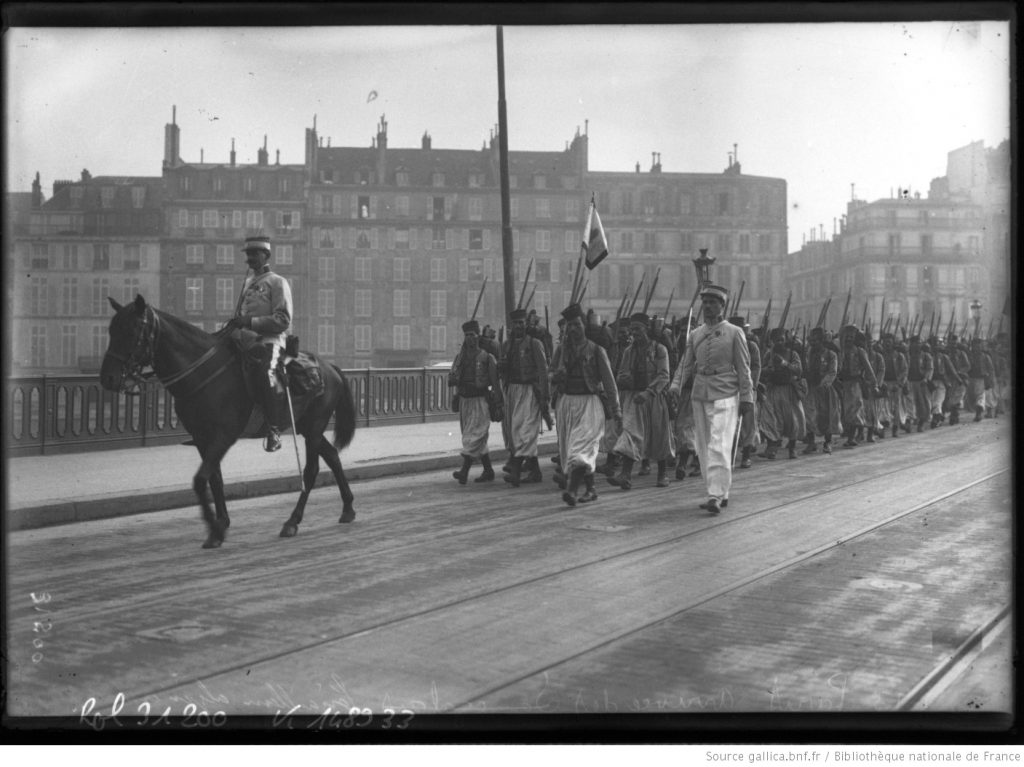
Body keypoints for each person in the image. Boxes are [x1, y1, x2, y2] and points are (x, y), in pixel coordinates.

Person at [669, 284, 753, 515]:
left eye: (712, 303)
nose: (707, 307)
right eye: (704, 302)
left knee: (719, 443)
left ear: (722, 306)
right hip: (700, 393)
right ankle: (720, 491)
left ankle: (714, 495)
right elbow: (685, 365)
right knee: (705, 446)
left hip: (726, 392)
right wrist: (675, 386)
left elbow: (743, 368)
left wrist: (747, 397)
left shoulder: (735, 332)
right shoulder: (695, 334)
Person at [223, 235, 293, 452]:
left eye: (255, 254)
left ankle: (273, 429)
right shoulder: (248, 283)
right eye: (248, 254)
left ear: (266, 255)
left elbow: (283, 320)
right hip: (245, 342)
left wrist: (250, 322)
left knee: (265, 373)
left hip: (270, 341)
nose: (250, 258)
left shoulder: (277, 282)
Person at [549, 303, 621, 506]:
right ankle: (591, 489)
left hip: (590, 404)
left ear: (584, 326)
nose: (573, 329)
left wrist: (616, 410)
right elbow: (550, 373)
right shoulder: (562, 350)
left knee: (580, 450)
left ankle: (571, 491)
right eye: (570, 326)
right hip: (566, 404)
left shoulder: (597, 350)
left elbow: (609, 382)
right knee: (573, 450)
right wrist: (556, 376)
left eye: (577, 324)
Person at [609, 312, 673, 490]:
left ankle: (662, 473)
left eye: (637, 329)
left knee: (658, 435)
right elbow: (621, 373)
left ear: (647, 330)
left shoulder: (660, 349)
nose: (634, 333)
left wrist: (648, 392)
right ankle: (625, 475)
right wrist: (625, 380)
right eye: (632, 330)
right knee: (630, 432)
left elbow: (664, 376)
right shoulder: (629, 351)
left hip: (654, 398)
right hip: (634, 399)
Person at [498, 308, 550, 487]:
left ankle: (516, 470)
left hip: (530, 391)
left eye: (521, 323)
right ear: (512, 326)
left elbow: (543, 370)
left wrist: (545, 396)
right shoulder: (507, 345)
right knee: (515, 430)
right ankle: (535, 472)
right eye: (516, 323)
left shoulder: (535, 344)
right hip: (513, 390)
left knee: (525, 430)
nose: (519, 326)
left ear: (526, 324)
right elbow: (503, 370)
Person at [448, 320, 502, 484]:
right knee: (473, 436)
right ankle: (488, 470)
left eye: (472, 335)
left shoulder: (487, 357)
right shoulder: (460, 358)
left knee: (476, 434)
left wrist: (499, 402)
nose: (469, 338)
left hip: (480, 400)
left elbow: (494, 381)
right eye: (466, 336)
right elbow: (452, 378)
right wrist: (453, 378)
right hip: (465, 400)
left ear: (477, 337)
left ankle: (464, 471)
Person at [758, 327, 807, 460]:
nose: (779, 343)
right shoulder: (769, 354)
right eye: (776, 340)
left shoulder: (792, 354)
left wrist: (785, 363)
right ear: (772, 341)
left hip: (789, 390)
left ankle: (792, 449)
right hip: (773, 390)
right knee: (770, 420)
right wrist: (771, 369)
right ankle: (772, 449)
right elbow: (760, 371)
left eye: (782, 340)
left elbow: (798, 370)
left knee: (793, 421)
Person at [801, 326, 840, 454]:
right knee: (809, 415)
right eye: (811, 340)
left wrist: (824, 384)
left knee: (826, 415)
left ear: (822, 340)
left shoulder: (831, 354)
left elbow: (832, 372)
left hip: (825, 390)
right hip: (810, 389)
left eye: (816, 340)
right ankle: (811, 442)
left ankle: (827, 442)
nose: (813, 343)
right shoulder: (808, 353)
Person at [729, 315, 761, 468]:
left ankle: (746, 455)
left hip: (747, 388)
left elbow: (755, 367)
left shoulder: (752, 346)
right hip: (728, 389)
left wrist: (751, 386)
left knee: (748, 424)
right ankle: (729, 456)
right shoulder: (725, 344)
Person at [836, 324, 875, 448]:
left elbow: (868, 369)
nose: (848, 339)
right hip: (842, 384)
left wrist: (873, 383)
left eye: (851, 337)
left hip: (855, 384)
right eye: (846, 336)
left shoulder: (859, 351)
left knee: (854, 410)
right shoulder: (839, 352)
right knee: (845, 412)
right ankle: (854, 434)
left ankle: (852, 437)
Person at [879, 333, 909, 437]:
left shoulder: (899, 356)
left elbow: (904, 371)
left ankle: (895, 429)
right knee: (883, 407)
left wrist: (900, 384)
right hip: (884, 384)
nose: (887, 344)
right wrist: (880, 383)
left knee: (896, 407)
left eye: (889, 342)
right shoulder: (880, 355)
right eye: (885, 342)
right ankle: (882, 429)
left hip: (896, 384)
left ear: (893, 343)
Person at [906, 335, 933, 432]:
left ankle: (921, 423)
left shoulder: (926, 356)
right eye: (914, 343)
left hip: (921, 383)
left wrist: (926, 378)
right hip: (909, 382)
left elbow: (929, 369)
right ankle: (908, 422)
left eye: (918, 343)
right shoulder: (907, 355)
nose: (917, 345)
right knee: (909, 403)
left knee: (922, 404)